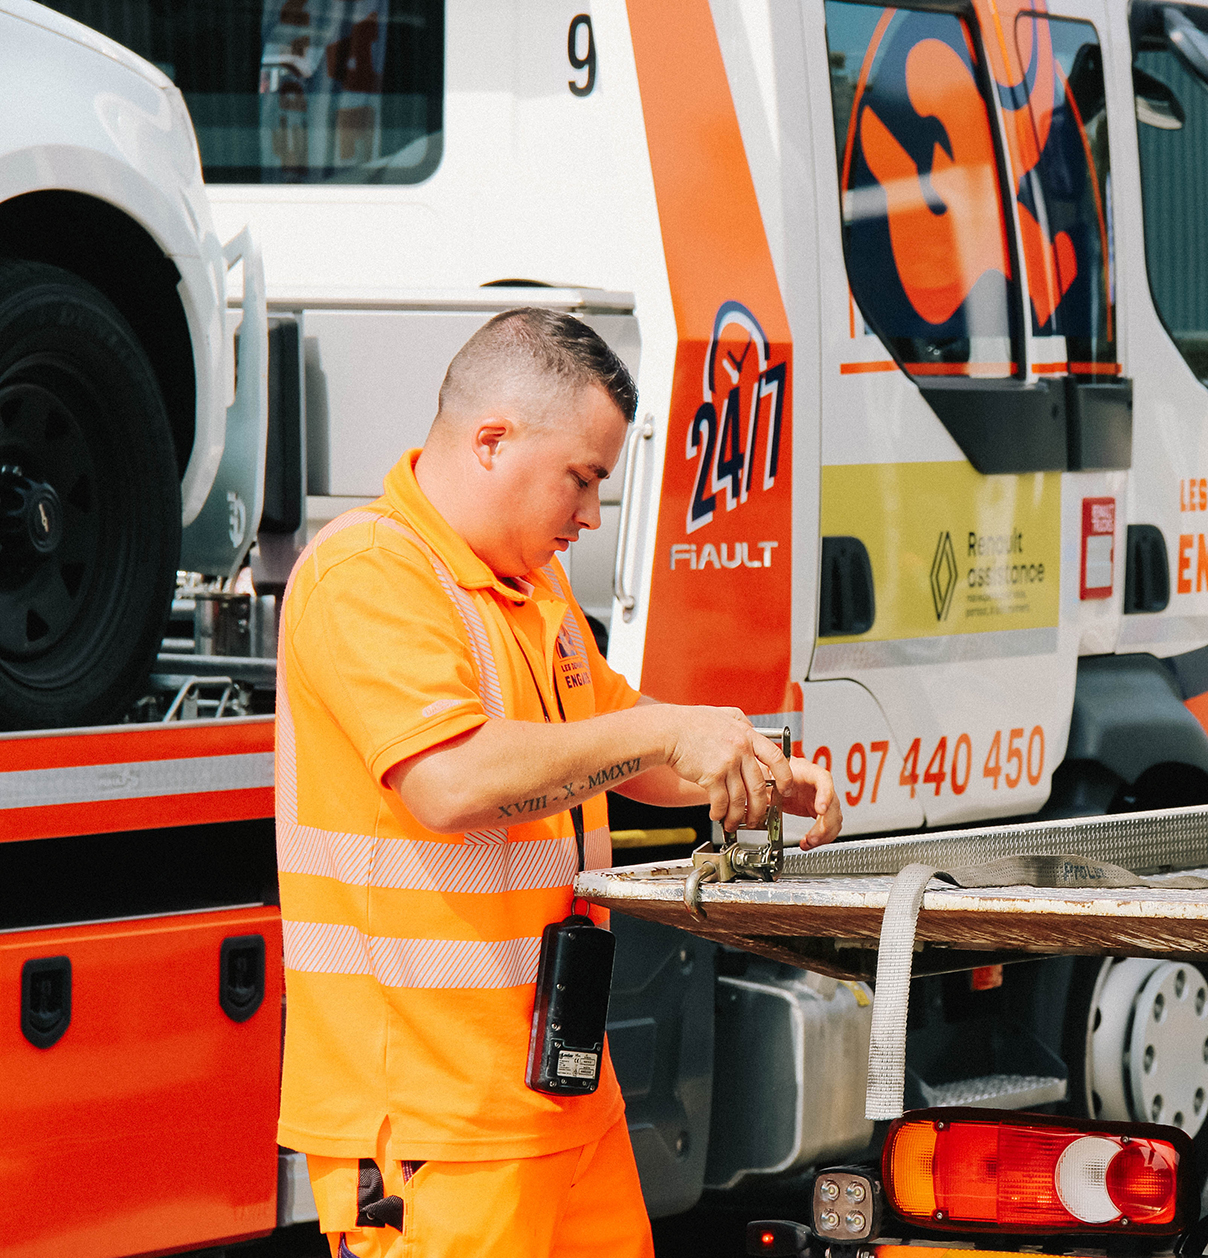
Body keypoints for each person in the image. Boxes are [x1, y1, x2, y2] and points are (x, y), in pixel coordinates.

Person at [274, 307, 841, 1258]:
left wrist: (756, 771)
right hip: (434, 1126)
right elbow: (450, 782)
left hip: (558, 1094)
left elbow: (615, 745)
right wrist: (662, 728)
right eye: (582, 478)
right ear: (492, 440)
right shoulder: (366, 575)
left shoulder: (532, 590)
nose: (590, 515)